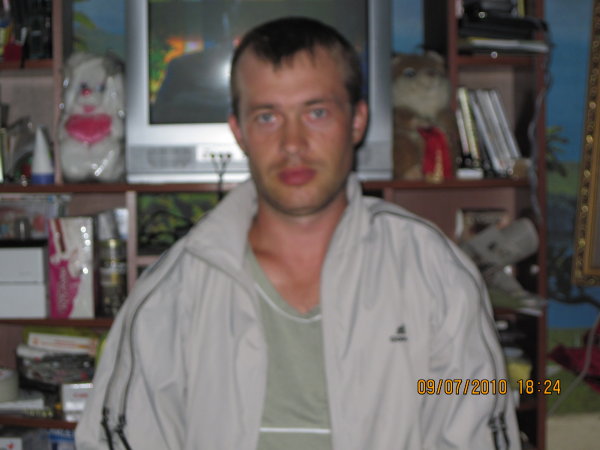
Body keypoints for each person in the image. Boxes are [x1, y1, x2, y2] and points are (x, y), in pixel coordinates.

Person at [75, 17, 521, 450]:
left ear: (358, 121)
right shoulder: (172, 292)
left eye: (317, 112)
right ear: (239, 132)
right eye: (267, 117)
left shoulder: (435, 274)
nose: (293, 144)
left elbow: (476, 425)